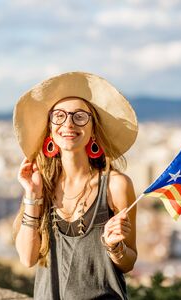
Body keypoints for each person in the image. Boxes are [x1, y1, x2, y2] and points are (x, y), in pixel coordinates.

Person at [12, 71, 138, 299]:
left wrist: (114, 247)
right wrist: (32, 194)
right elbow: (27, 258)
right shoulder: (42, 186)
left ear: (93, 131)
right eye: (58, 116)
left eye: (80, 117)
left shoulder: (115, 185)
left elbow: (128, 262)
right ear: (50, 130)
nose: (68, 123)